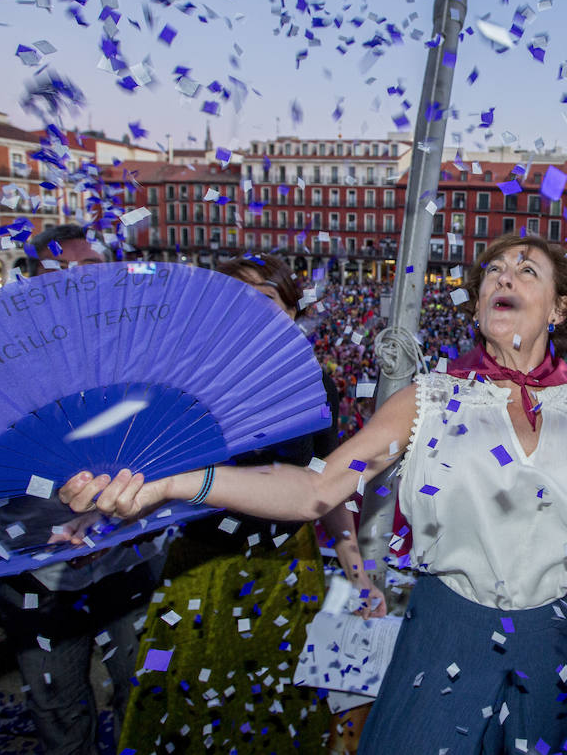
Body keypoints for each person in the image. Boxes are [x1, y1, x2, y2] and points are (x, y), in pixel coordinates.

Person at [59, 233, 567, 754]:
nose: (503, 277)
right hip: (447, 633)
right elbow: (316, 489)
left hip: (560, 641)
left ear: (560, 308)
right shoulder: (428, 400)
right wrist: (171, 484)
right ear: (476, 303)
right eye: (493, 270)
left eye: (525, 270)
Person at [113, 254, 384, 754]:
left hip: (287, 574)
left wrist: (357, 573)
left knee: (277, 706)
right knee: (192, 708)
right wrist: (102, 514)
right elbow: (153, 481)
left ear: (292, 311)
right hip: (202, 571)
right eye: (233, 298)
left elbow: (326, 488)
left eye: (266, 297)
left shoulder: (317, 384)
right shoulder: (186, 387)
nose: (250, 308)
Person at [0, 223, 163, 755]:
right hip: (38, 567)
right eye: (65, 271)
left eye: (92, 269)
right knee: (56, 706)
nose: (81, 281)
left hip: (128, 558)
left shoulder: (141, 355)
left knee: (144, 692)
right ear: (36, 278)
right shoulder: (0, 364)